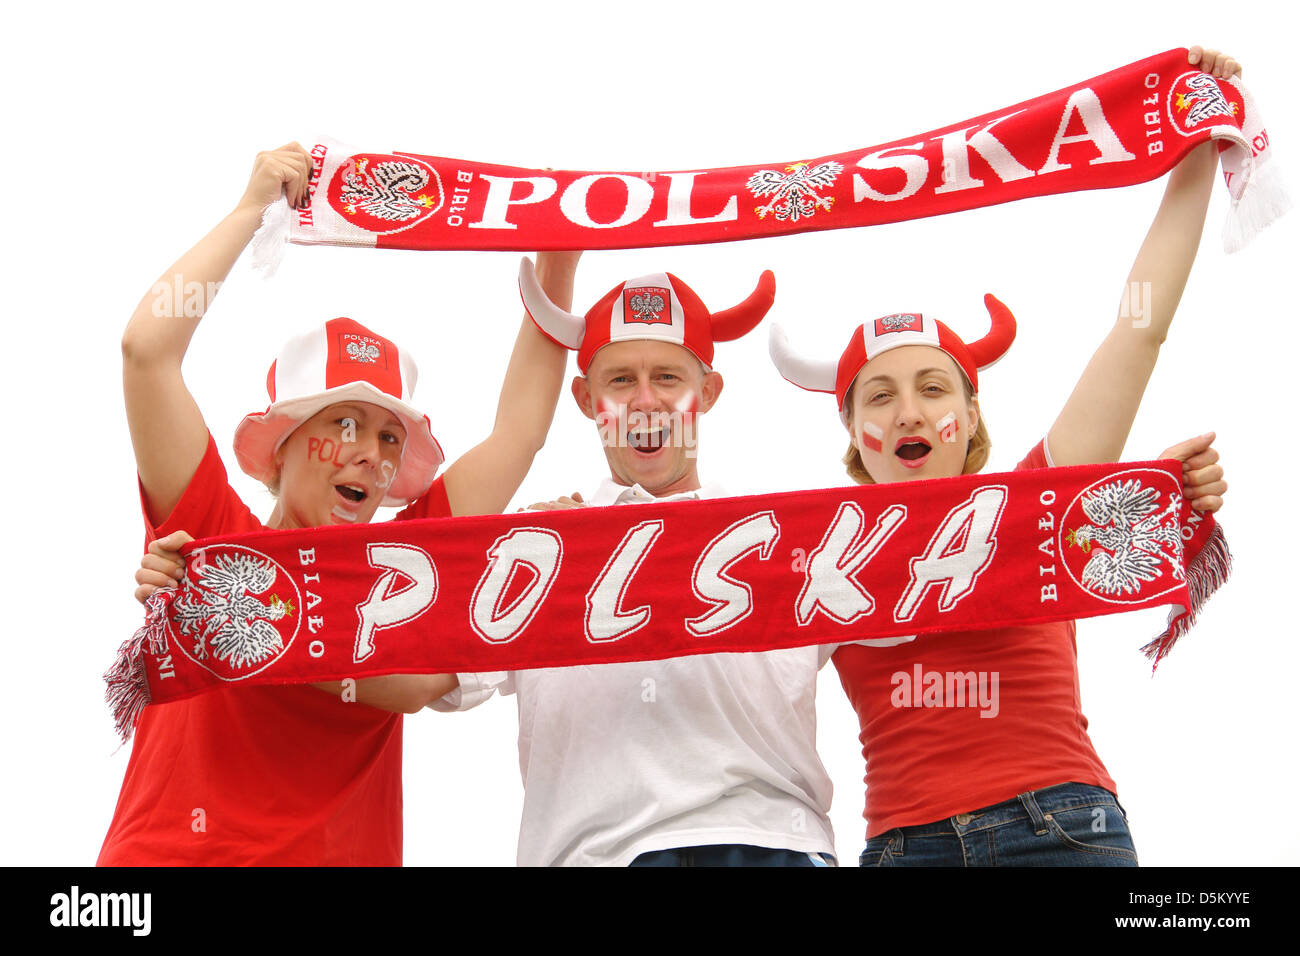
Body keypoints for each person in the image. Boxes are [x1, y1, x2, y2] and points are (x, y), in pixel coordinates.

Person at [768, 46, 1235, 866]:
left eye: (931, 389)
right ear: (853, 434)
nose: (908, 411)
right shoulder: (809, 551)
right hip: (904, 848)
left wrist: (1192, 141)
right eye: (879, 396)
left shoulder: (1038, 501)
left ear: (968, 412)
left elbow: (1140, 327)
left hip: (1060, 829)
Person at [105, 142, 580, 865]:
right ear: (285, 444)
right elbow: (146, 350)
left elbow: (521, 432)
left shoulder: (405, 569)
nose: (374, 455)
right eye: (346, 425)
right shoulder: (211, 531)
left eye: (392, 438)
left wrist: (559, 265)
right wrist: (246, 214)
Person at [433, 262, 841, 866]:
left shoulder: (795, 540)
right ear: (585, 399)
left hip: (772, 841)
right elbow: (413, 673)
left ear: (707, 393)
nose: (645, 400)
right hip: (595, 854)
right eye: (621, 380)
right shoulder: (538, 548)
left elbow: (948, 593)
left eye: (667, 376)